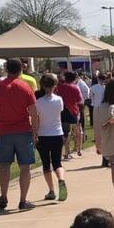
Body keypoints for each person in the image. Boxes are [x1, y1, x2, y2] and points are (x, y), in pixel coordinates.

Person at [0, 58, 39, 212]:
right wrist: (35, 131)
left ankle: (3, 195)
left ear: (6, 69)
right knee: (25, 167)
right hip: (23, 130)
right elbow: (33, 112)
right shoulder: (25, 87)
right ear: (21, 69)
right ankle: (23, 200)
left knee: (4, 165)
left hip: (4, 131)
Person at [94, 79, 114, 223]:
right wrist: (113, 121)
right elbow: (111, 121)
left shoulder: (100, 107)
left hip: (108, 147)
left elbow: (97, 127)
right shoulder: (112, 107)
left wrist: (98, 145)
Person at [35, 74, 68, 203]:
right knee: (57, 163)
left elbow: (37, 120)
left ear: (42, 85)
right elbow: (59, 115)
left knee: (46, 164)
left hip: (43, 135)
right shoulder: (59, 100)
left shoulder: (38, 102)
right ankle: (61, 179)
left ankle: (51, 190)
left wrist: (35, 134)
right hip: (57, 133)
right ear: (55, 85)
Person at [59, 72, 85, 161]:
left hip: (63, 111)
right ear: (74, 79)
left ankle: (67, 152)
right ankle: (78, 149)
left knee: (66, 132)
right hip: (74, 111)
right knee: (78, 130)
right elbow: (80, 101)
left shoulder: (60, 87)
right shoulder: (75, 87)